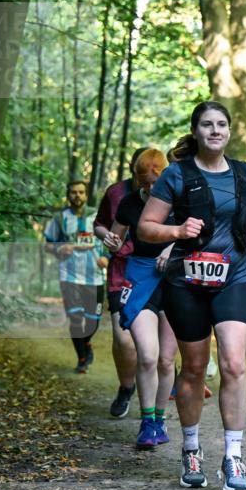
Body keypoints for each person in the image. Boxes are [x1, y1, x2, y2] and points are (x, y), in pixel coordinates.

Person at [138, 101, 246, 490]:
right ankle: (191, 449)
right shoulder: (176, 175)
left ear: (229, 131)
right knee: (193, 368)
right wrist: (177, 231)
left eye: (222, 124)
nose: (215, 130)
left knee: (232, 363)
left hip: (235, 277)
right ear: (195, 131)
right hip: (187, 281)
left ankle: (233, 459)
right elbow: (145, 228)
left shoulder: (245, 175)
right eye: (207, 125)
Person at [106, 148, 178, 450]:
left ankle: (160, 419)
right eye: (143, 183)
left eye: (153, 183)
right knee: (147, 354)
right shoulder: (129, 202)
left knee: (165, 359)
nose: (148, 189)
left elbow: (195, 235)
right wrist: (112, 241)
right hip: (140, 276)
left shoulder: (178, 201)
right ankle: (147, 422)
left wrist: (169, 249)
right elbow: (116, 237)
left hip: (175, 279)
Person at [95, 147, 151, 418]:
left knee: (152, 340)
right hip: (121, 270)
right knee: (124, 339)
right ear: (132, 168)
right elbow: (100, 224)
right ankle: (126, 388)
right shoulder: (116, 192)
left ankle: (154, 403)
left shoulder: (166, 191)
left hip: (153, 272)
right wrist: (107, 237)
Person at [44, 180, 107, 373]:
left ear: (86, 195)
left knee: (93, 321)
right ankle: (81, 358)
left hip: (94, 278)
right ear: (68, 195)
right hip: (69, 277)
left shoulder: (98, 217)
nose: (77, 196)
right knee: (75, 318)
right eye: (73, 192)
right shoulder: (59, 218)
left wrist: (106, 257)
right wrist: (59, 248)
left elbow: (111, 242)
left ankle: (86, 344)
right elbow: (48, 245)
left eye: (81, 192)